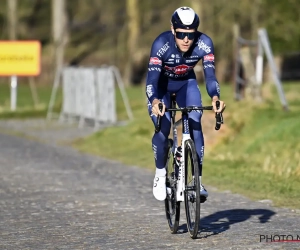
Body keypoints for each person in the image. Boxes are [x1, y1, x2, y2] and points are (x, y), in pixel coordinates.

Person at [145, 6, 226, 201]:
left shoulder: (205, 43)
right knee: (163, 126)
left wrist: (215, 97)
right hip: (162, 88)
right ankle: (161, 173)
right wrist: (155, 100)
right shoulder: (161, 44)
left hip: (186, 85)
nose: (186, 39)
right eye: (181, 34)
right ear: (173, 30)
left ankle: (196, 181)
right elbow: (151, 82)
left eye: (190, 34)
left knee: (195, 119)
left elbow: (211, 76)